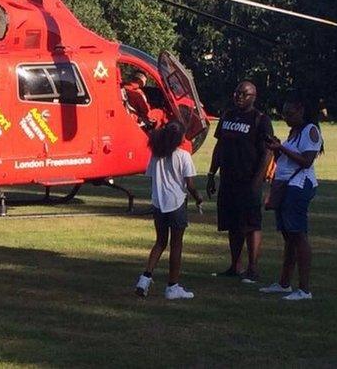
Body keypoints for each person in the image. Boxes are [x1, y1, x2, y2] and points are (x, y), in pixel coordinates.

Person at [206, 80, 274, 284]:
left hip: (249, 180)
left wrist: (257, 181)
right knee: (232, 224)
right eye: (237, 93)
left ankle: (253, 269)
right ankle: (235, 265)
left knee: (251, 224)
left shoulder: (260, 119)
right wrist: (211, 173)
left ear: (253, 96)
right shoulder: (227, 115)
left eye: (244, 94)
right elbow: (220, 146)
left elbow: (267, 152)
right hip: (228, 179)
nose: (239, 97)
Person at [259, 95, 324, 300]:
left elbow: (306, 161)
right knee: (289, 236)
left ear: (301, 110)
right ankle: (284, 283)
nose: (286, 117)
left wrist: (282, 148)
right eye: (284, 114)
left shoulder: (310, 130)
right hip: (286, 185)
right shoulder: (294, 131)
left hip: (299, 185)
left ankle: (304, 289)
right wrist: (277, 149)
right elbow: (286, 158)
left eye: (290, 113)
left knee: (298, 235)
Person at [135, 121, 203, 300]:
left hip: (158, 203)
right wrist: (198, 198)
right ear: (180, 138)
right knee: (176, 244)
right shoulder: (184, 156)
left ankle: (145, 278)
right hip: (177, 202)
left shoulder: (156, 155)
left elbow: (151, 177)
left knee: (160, 242)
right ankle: (172, 286)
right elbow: (190, 184)